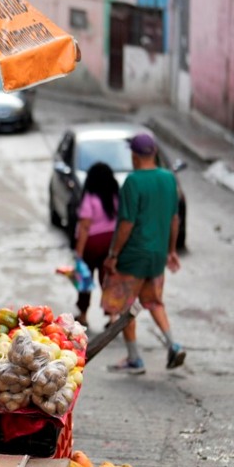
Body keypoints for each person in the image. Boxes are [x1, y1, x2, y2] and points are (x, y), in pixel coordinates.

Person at [101, 133, 184, 375]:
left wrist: (114, 254)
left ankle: (135, 358)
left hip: (133, 255)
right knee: (154, 300)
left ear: (135, 156)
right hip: (157, 255)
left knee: (125, 305)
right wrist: (171, 251)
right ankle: (173, 344)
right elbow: (174, 219)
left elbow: (126, 223)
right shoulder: (169, 179)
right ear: (155, 153)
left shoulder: (133, 181)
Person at [72, 162, 119, 328]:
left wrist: (78, 253)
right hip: (110, 242)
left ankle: (83, 315)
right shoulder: (114, 196)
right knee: (107, 280)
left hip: (91, 244)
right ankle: (112, 315)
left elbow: (85, 227)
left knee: (85, 278)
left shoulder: (89, 198)